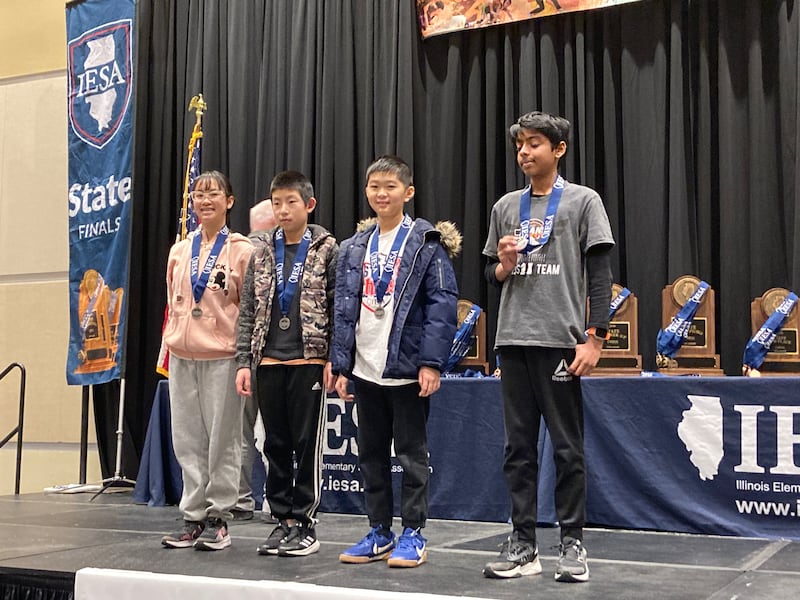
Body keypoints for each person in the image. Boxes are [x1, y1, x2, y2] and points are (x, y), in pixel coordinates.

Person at [481, 111, 614, 582]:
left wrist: (595, 338)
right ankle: (523, 543)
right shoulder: (505, 206)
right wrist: (505, 263)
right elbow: (492, 277)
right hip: (514, 339)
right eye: (520, 144)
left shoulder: (583, 201)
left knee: (566, 449)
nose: (523, 151)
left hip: (561, 341)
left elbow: (600, 276)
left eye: (534, 143)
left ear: (557, 150)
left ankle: (572, 542)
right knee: (517, 448)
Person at [331, 155, 459, 568]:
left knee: (411, 455)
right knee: (369, 454)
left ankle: (414, 532)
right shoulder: (354, 246)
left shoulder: (426, 242)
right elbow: (343, 307)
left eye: (390, 186)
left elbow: (442, 305)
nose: (381, 194)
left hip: (405, 368)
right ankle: (379, 530)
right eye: (374, 186)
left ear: (408, 192)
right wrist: (341, 363)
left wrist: (432, 363)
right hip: (365, 368)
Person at [235, 171, 338, 557]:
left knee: (306, 443)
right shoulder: (260, 250)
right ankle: (283, 520)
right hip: (267, 361)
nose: (282, 209)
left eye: (291, 202)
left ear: (309, 205)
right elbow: (248, 310)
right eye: (276, 202)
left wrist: (334, 358)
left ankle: (306, 521)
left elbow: (336, 306)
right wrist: (245, 360)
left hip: (308, 359)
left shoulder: (328, 248)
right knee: (274, 444)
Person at [160, 170, 254, 551]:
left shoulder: (241, 250)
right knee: (187, 439)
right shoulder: (179, 250)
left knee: (223, 440)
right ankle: (193, 516)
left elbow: (249, 308)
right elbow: (173, 302)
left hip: (223, 357)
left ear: (229, 202)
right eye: (199, 194)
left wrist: (245, 356)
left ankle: (220, 517)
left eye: (213, 194)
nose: (205, 200)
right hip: (183, 354)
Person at [231, 199, 277, 522]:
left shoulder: (238, 252)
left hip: (245, 355)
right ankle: (278, 504)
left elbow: (240, 311)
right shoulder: (277, 253)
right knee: (278, 434)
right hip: (276, 357)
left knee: (242, 434)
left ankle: (241, 500)